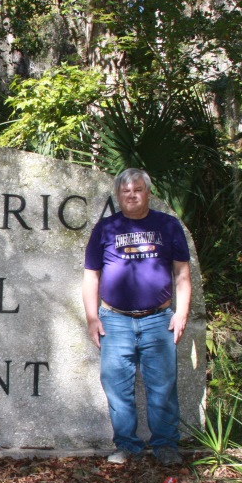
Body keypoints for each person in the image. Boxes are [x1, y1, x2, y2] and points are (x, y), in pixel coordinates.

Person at [82, 168, 191, 466]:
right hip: (114, 320)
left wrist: (181, 313)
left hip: (158, 320)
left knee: (163, 386)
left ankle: (166, 445)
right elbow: (91, 275)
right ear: (118, 195)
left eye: (138, 190)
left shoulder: (167, 226)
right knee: (116, 385)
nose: (132, 195)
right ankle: (127, 445)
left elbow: (182, 273)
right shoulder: (105, 228)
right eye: (126, 191)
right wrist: (92, 317)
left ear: (148, 192)